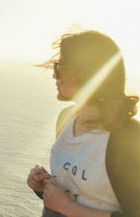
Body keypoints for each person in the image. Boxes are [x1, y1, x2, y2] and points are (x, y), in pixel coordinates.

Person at [26, 30, 140, 216]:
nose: (55, 76)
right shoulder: (66, 119)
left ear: (86, 73)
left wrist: (67, 207)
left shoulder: (127, 136)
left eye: (59, 68)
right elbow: (76, 190)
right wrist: (44, 187)